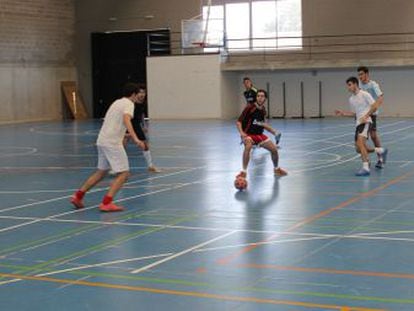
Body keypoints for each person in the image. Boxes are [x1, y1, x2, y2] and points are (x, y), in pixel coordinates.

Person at [70, 82, 145, 212]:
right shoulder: (129, 104)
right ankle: (107, 202)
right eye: (139, 93)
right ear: (133, 94)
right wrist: (136, 138)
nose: (140, 95)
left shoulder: (116, 102)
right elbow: (126, 119)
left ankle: (78, 196)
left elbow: (114, 123)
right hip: (112, 143)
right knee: (124, 173)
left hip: (102, 140)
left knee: (101, 172)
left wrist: (124, 134)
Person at [335, 77, 387, 176]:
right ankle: (380, 150)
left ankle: (365, 167)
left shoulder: (365, 94)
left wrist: (366, 116)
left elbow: (375, 106)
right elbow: (355, 114)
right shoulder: (351, 99)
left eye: (349, 85)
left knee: (361, 143)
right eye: (347, 85)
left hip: (366, 122)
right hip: (358, 123)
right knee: (358, 149)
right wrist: (343, 113)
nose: (348, 87)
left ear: (355, 84)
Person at [236, 89, 287, 178]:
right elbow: (239, 122)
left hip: (259, 135)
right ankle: (243, 171)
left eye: (262, 96)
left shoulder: (263, 110)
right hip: (248, 134)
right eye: (258, 96)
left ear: (265, 99)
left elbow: (263, 124)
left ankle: (276, 169)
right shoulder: (249, 108)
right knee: (248, 146)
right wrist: (242, 133)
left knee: (274, 150)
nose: (260, 98)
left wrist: (274, 132)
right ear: (256, 97)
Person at [124, 84, 160, 173]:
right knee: (121, 147)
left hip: (137, 126)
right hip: (127, 125)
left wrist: (144, 125)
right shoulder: (132, 102)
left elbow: (142, 115)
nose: (142, 94)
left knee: (145, 146)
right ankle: (115, 168)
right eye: (140, 92)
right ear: (136, 93)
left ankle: (150, 166)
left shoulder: (144, 102)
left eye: (144, 92)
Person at [357, 66, 386, 168]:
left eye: (361, 74)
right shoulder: (359, 85)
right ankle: (366, 161)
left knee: (373, 136)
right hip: (361, 115)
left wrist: (375, 107)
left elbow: (381, 97)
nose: (360, 76)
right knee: (360, 140)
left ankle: (380, 159)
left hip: (371, 114)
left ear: (367, 74)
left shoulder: (373, 84)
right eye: (359, 74)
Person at [243, 77, 281, 144]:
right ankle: (275, 133)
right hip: (251, 112)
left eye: (248, 82)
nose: (247, 84)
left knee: (260, 124)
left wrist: (259, 109)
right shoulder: (245, 93)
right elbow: (248, 102)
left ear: (251, 83)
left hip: (257, 110)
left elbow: (260, 99)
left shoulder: (254, 91)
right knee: (261, 124)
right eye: (245, 83)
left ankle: (252, 140)